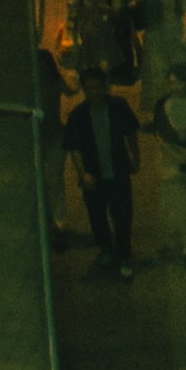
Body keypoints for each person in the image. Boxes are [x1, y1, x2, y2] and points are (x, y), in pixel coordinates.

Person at [63, 55, 145, 276]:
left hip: (118, 170)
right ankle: (106, 249)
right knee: (97, 216)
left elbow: (130, 133)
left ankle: (123, 253)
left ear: (105, 87)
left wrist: (135, 158)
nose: (95, 93)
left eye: (98, 88)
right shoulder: (78, 116)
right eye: (90, 89)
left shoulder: (118, 106)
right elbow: (74, 148)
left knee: (123, 215)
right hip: (94, 175)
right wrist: (83, 174)